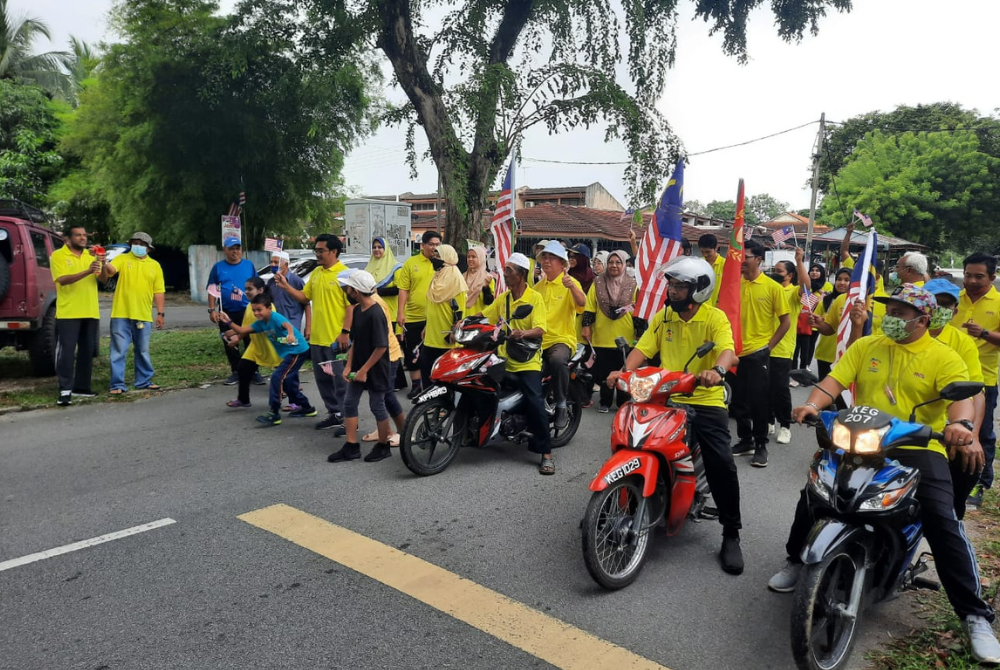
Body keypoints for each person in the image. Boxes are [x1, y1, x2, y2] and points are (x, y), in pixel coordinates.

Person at [771, 284, 1000, 665]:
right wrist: (812, 405)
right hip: (859, 439)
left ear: (924, 320)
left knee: (942, 520)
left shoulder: (943, 356)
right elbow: (834, 381)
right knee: (815, 493)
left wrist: (961, 425)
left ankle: (975, 617)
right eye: (889, 309)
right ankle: (797, 560)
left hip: (918, 448)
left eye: (900, 312)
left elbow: (962, 399)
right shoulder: (867, 346)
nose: (891, 317)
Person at [607, 256, 744, 574]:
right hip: (664, 394)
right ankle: (622, 500)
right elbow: (642, 349)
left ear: (698, 290)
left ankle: (731, 533)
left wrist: (718, 370)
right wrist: (622, 371)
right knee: (632, 440)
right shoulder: (664, 316)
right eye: (671, 284)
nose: (672, 290)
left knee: (721, 462)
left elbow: (728, 350)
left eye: (679, 285)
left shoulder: (715, 318)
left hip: (704, 399)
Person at [478, 253, 553, 474]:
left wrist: (524, 333)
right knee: (480, 385)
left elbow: (541, 328)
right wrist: (464, 323)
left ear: (521, 274)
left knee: (535, 402)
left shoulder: (534, 298)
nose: (506, 275)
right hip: (503, 359)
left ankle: (546, 453)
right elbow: (485, 315)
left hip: (527, 362)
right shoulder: (503, 298)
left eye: (509, 271)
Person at [274, 233, 352, 432]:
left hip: (336, 341)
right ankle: (334, 414)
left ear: (334, 251)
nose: (317, 254)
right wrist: (285, 285)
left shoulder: (345, 275)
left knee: (340, 381)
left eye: (321, 250)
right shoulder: (317, 273)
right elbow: (304, 297)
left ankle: (349, 419)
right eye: (316, 250)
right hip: (318, 341)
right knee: (324, 379)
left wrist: (345, 332)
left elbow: (352, 307)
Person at [925, 278, 987, 520]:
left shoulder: (962, 343)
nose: (939, 309)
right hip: (897, 424)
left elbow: (975, 392)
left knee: (967, 460)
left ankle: (953, 520)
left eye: (945, 305)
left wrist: (970, 433)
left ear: (955, 311)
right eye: (934, 303)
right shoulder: (898, 334)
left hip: (943, 427)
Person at [327, 270, 399, 464]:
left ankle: (383, 446)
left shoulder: (376, 313)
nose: (346, 291)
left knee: (377, 405)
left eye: (349, 288)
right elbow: (356, 341)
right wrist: (349, 366)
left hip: (375, 368)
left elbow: (381, 346)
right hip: (358, 366)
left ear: (356, 290)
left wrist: (364, 370)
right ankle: (351, 446)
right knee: (349, 402)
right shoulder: (358, 310)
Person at [730, 239, 790, 467]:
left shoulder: (773, 287)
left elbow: (785, 322)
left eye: (745, 256)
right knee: (738, 402)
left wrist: (769, 347)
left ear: (758, 260)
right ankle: (745, 441)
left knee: (758, 402)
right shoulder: (734, 284)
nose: (741, 261)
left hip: (758, 353)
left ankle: (761, 444)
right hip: (734, 353)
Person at [219, 294, 314, 426]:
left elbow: (287, 325)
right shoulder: (261, 324)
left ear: (269, 308)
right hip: (289, 352)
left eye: (259, 309)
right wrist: (228, 322)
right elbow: (242, 330)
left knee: (277, 377)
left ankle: (274, 413)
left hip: (297, 350)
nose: (256, 313)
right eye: (254, 310)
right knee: (288, 381)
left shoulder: (275, 317)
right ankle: (307, 408)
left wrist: (291, 334)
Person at [952, 252, 1000, 508]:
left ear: (992, 277)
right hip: (948, 379)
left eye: (978, 276)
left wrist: (984, 333)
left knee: (981, 432)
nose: (971, 280)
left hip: (983, 380)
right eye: (968, 275)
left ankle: (980, 482)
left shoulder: (999, 302)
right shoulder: (953, 300)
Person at [51, 224, 108, 405]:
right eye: (78, 235)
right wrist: (88, 271)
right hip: (69, 312)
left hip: (90, 310)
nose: (83, 238)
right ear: (68, 238)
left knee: (87, 351)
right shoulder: (58, 256)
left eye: (84, 235)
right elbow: (63, 280)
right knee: (66, 352)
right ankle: (65, 389)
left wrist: (102, 263)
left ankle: (82, 388)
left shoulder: (89, 256)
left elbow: (103, 279)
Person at [104, 232, 165, 395]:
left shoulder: (155, 266)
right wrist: (102, 260)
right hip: (121, 314)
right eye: (135, 242)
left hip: (143, 314)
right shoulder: (123, 259)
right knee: (118, 350)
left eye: (141, 243)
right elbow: (110, 270)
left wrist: (160, 313)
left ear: (148, 248)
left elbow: (159, 291)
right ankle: (117, 384)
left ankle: (144, 381)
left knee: (143, 350)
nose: (137, 246)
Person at [535, 240, 585, 429]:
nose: (546, 261)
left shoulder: (570, 283)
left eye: (552, 258)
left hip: (561, 340)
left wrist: (571, 286)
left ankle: (562, 405)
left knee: (557, 360)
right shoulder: (537, 287)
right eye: (544, 257)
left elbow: (582, 304)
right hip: (538, 340)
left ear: (563, 264)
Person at [582, 250, 635, 412]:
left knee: (624, 369)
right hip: (602, 335)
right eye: (611, 262)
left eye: (618, 262)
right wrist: (586, 327)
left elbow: (639, 309)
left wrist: (639, 334)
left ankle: (623, 402)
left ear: (624, 264)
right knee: (604, 371)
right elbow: (590, 306)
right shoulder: (597, 282)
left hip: (626, 334)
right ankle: (605, 402)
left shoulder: (633, 284)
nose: (614, 265)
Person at [224, 277, 285, 410]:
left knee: (283, 375)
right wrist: (237, 336)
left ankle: (295, 401)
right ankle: (243, 399)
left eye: (250, 289)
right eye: (245, 289)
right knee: (243, 368)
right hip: (256, 345)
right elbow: (246, 327)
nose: (247, 292)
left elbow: (264, 327)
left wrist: (236, 332)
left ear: (260, 290)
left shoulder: (269, 307)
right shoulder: (249, 306)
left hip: (272, 345)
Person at [207, 238, 259, 386]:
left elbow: (257, 286)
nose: (235, 251)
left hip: (247, 310)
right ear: (225, 250)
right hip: (226, 312)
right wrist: (212, 310)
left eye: (238, 248)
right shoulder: (218, 268)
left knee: (251, 340)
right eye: (231, 248)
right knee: (229, 342)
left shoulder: (249, 265)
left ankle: (254, 371)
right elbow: (212, 289)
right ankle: (236, 371)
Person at [396, 231, 440, 399]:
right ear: (423, 245)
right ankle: (416, 386)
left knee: (431, 353)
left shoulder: (443, 263)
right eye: (431, 244)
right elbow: (403, 289)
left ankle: (433, 384)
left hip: (435, 318)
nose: (434, 248)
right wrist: (400, 311)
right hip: (414, 316)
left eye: (437, 245)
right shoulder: (411, 263)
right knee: (412, 352)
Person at [766, 256, 802, 446]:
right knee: (765, 388)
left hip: (782, 349)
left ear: (790, 275)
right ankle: (769, 421)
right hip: (764, 348)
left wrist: (800, 261)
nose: (775, 273)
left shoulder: (794, 292)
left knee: (780, 390)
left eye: (780, 271)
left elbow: (806, 286)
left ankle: (785, 426)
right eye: (775, 270)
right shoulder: (770, 289)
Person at [419, 244, 467, 381]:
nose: (435, 258)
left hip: (447, 339)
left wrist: (455, 330)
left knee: (445, 378)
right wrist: (427, 326)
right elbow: (432, 306)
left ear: (448, 257)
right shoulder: (436, 278)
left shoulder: (456, 281)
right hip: (431, 336)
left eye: (438, 255)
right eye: (434, 255)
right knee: (427, 371)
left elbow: (460, 310)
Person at [791, 262, 829, 372]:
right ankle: (795, 368)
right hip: (802, 321)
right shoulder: (804, 285)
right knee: (797, 346)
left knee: (810, 346)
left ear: (822, 273)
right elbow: (802, 298)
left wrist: (822, 295)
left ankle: (806, 365)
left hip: (816, 321)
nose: (814, 272)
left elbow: (827, 300)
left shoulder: (826, 286)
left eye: (817, 271)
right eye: (812, 270)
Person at [266, 251, 310, 333]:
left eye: (276, 262)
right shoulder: (271, 282)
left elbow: (306, 304)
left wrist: (308, 327)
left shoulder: (297, 281)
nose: (272, 265)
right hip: (277, 326)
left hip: (293, 326)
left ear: (286, 265)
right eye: (271, 262)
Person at [464, 245, 495, 314]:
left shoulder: (487, 278)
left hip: (479, 319)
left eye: (473, 257)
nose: (470, 259)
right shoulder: (463, 277)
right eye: (468, 257)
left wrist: (486, 287)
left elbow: (489, 302)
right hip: (464, 318)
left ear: (481, 258)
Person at [697, 233, 725, 306]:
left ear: (716, 248)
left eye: (708, 252)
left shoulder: (725, 265)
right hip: (701, 307)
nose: (705, 255)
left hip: (718, 308)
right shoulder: (698, 264)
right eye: (702, 252)